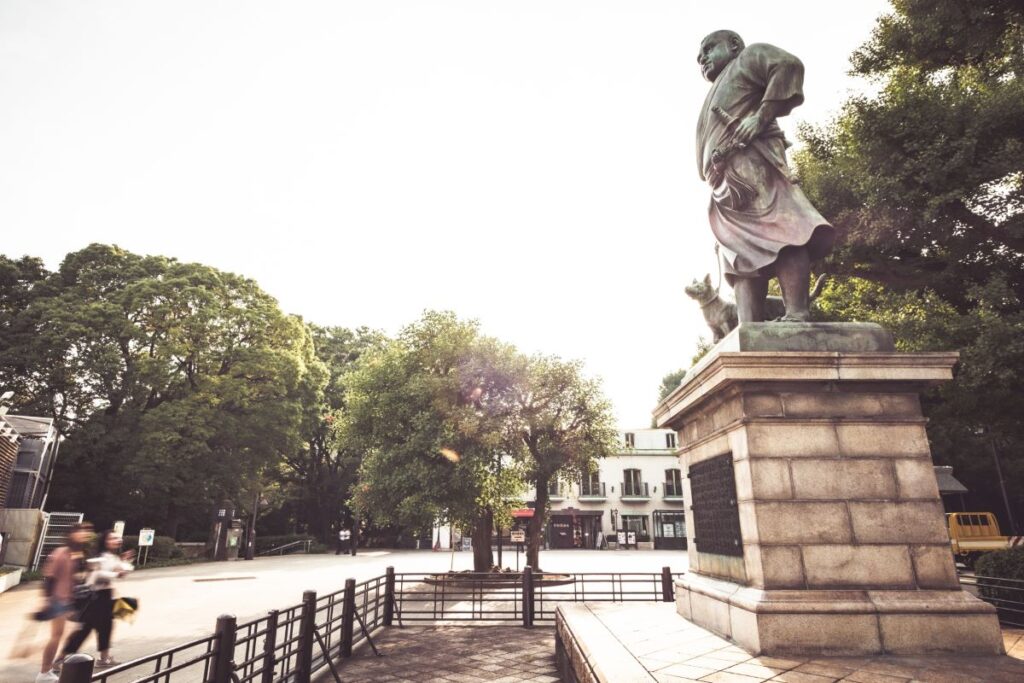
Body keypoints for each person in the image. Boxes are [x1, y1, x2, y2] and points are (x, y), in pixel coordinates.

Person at [695, 30, 835, 323]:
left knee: (783, 232)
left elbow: (788, 65)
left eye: (708, 49)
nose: (701, 58)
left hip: (752, 162)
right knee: (738, 256)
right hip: (724, 184)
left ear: (733, 45)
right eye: (699, 56)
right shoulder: (716, 88)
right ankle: (749, 326)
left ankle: (797, 312)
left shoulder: (747, 57)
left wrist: (760, 117)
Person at [60, 530, 135, 668]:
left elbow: (121, 572)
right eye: (113, 538)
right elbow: (97, 575)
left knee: (106, 626)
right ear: (105, 542)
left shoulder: (112, 557)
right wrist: (116, 574)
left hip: (105, 596)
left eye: (117, 538)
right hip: (96, 597)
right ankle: (60, 660)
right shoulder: (101, 557)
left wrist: (124, 562)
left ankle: (104, 658)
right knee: (85, 630)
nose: (117, 540)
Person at [35, 522, 94, 683]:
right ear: (71, 534)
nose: (84, 534)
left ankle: (57, 662)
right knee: (56, 636)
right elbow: (50, 578)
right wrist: (47, 600)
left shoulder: (81, 553)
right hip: (58, 600)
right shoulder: (61, 552)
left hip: (71, 601)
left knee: (78, 629)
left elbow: (79, 577)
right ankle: (44, 672)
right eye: (80, 531)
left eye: (86, 531)